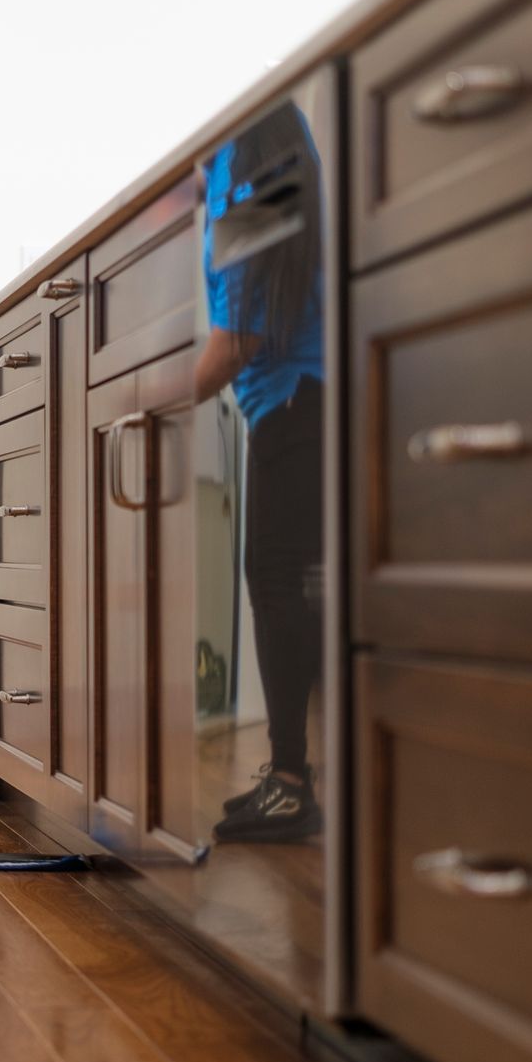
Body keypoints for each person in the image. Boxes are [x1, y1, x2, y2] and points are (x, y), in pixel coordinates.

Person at [193, 101, 326, 843]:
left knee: (277, 583)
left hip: (296, 401)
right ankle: (289, 777)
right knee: (290, 583)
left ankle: (291, 783)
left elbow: (237, 336)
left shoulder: (250, 170)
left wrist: (153, 401)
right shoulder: (268, 162)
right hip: (303, 400)